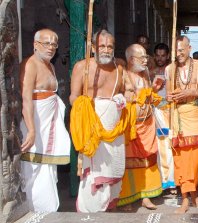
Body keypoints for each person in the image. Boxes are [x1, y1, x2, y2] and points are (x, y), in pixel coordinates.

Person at [70, 29, 125, 212]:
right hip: (92, 129)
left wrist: (122, 99)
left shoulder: (120, 67)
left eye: (110, 46)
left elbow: (127, 92)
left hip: (114, 129)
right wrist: (84, 107)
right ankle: (90, 212)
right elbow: (73, 97)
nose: (106, 50)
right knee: (94, 173)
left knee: (113, 171)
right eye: (102, 46)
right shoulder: (82, 67)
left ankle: (109, 208)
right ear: (93, 47)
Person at [20, 29, 70, 212]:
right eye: (46, 43)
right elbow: (26, 99)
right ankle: (35, 211)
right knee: (34, 168)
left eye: (54, 44)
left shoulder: (51, 66)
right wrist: (31, 130)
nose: (51, 48)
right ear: (35, 45)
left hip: (49, 127)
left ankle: (48, 211)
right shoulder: (30, 64)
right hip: (35, 126)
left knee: (48, 169)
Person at [165, 36, 198, 213]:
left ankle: (194, 193)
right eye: (176, 50)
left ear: (189, 48)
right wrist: (171, 96)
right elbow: (169, 95)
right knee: (181, 160)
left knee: (197, 160)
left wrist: (192, 91)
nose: (179, 54)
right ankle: (186, 198)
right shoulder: (170, 68)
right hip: (179, 117)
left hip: (196, 116)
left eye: (182, 50)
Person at [118, 43, 163, 210]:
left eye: (146, 56)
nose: (146, 60)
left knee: (147, 160)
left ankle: (146, 195)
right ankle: (128, 198)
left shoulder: (145, 76)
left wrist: (154, 90)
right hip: (132, 127)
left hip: (147, 125)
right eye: (142, 57)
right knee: (129, 162)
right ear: (131, 59)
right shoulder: (123, 75)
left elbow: (148, 97)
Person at [149, 43, 175, 191]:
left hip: (170, 112)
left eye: (163, 55)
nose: (160, 58)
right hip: (155, 113)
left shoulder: (172, 71)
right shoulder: (151, 72)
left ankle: (171, 180)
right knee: (158, 146)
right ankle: (161, 180)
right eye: (157, 56)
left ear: (167, 55)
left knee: (169, 146)